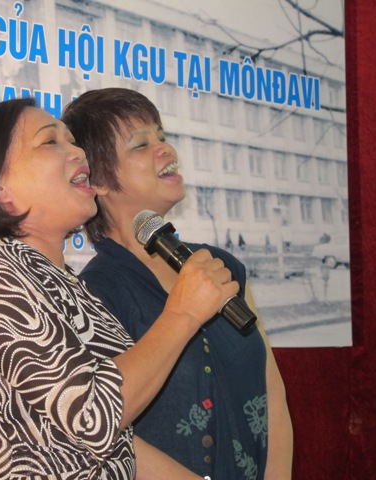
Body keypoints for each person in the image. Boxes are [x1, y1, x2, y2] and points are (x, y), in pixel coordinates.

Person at [0, 97, 240, 479]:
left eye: (72, 141)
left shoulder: (62, 282)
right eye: (50, 142)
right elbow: (94, 417)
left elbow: (117, 444)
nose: (77, 152)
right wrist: (184, 313)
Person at [62, 88, 293, 480]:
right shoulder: (92, 294)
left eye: (162, 137)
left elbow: (270, 388)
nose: (166, 150)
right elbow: (107, 435)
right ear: (97, 180)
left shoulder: (221, 266)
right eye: (141, 144)